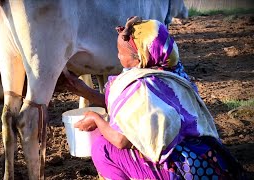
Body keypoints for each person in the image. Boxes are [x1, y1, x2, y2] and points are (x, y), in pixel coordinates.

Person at [63, 17, 244, 180]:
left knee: (102, 147)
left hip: (180, 170)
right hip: (206, 161)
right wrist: (83, 90)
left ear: (140, 57)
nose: (118, 55)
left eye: (121, 52)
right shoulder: (171, 72)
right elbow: (126, 107)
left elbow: (121, 140)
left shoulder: (142, 87)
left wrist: (96, 119)